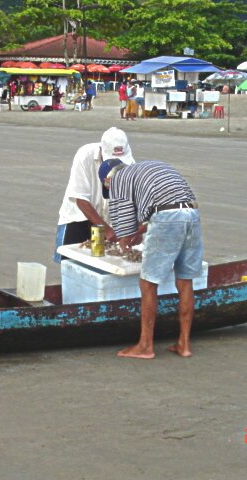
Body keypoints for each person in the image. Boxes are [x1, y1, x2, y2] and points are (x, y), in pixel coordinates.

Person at [99, 159, 203, 359]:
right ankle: (184, 344)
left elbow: (124, 227)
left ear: (107, 180)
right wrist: (140, 230)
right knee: (185, 280)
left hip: (168, 217)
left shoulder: (118, 180)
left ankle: (145, 346)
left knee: (147, 282)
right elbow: (168, 206)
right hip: (191, 213)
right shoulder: (147, 169)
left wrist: (125, 241)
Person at [54, 127, 135, 263]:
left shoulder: (131, 164)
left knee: (102, 263)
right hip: (77, 218)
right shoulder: (85, 155)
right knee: (69, 263)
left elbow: (128, 203)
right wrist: (106, 229)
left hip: (108, 221)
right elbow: (81, 200)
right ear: (102, 151)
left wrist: (129, 231)